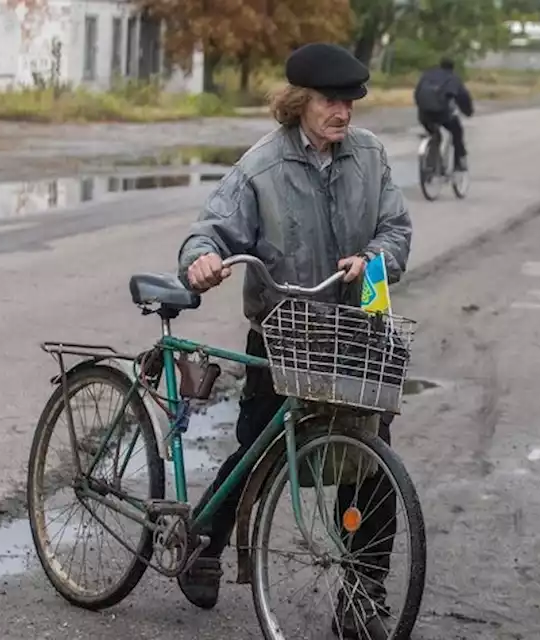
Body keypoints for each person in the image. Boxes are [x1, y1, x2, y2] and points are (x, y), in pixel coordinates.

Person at [175, 41, 412, 638]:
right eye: (332, 101)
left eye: (351, 101)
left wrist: (373, 258)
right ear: (299, 103)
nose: (344, 112)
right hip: (282, 336)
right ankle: (203, 544)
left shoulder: (371, 156)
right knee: (256, 452)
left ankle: (362, 594)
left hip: (354, 334)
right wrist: (203, 261)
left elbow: (396, 228)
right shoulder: (261, 167)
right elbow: (210, 231)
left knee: (370, 461)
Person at [413, 57, 474, 171]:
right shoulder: (453, 78)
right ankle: (459, 163)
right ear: (453, 67)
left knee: (435, 134)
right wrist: (468, 112)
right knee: (457, 132)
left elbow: (417, 93)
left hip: (424, 114)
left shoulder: (427, 75)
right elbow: (463, 97)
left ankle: (431, 163)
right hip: (443, 114)